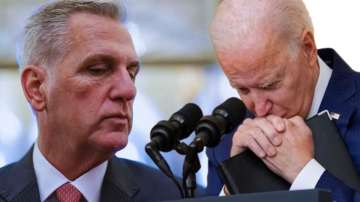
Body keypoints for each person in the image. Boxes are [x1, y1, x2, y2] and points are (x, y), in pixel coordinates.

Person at [0, 1, 182, 202]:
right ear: (36, 88)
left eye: (131, 74)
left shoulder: (178, 196)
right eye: (98, 69)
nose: (128, 90)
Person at [206, 0, 360, 201]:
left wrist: (305, 174)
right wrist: (234, 186)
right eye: (242, 89)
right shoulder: (225, 139)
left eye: (270, 85)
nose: (259, 110)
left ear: (308, 49)